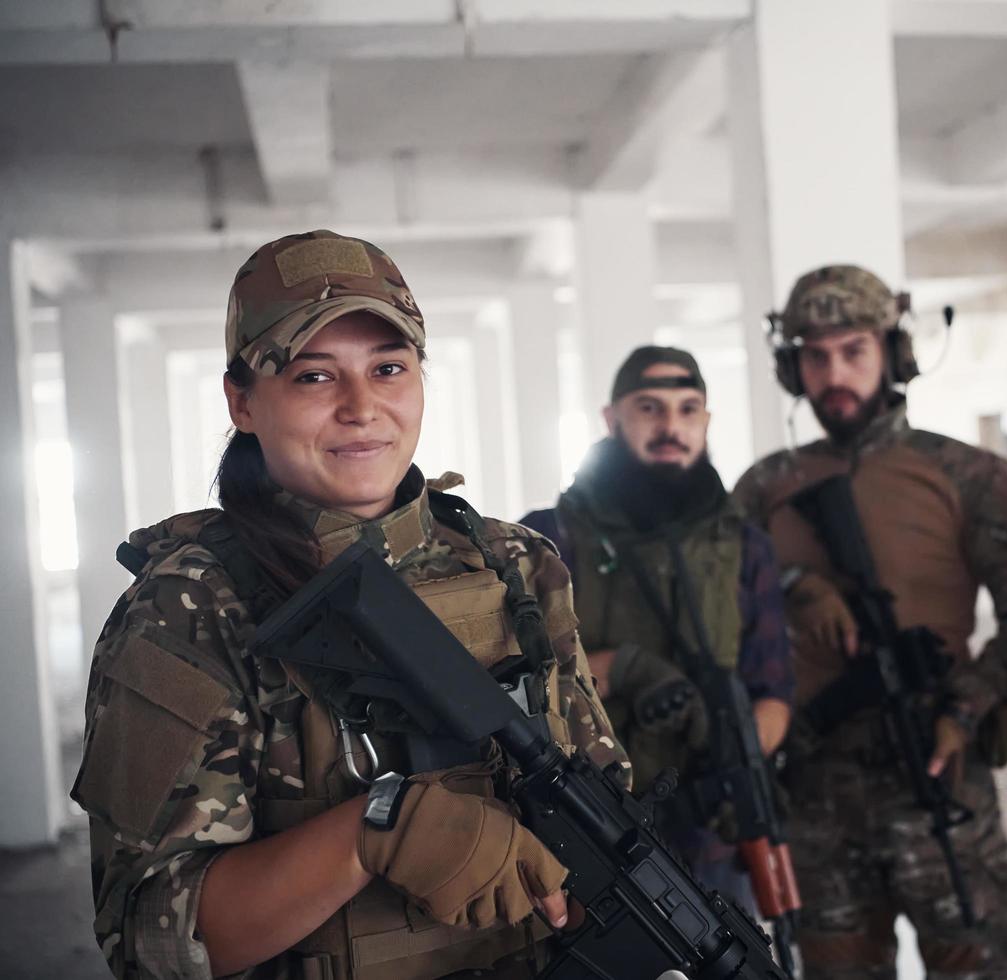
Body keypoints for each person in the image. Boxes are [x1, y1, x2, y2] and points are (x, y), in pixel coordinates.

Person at [70, 229, 628, 980]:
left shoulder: (518, 562)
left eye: (388, 368)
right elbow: (146, 938)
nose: (362, 408)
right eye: (313, 377)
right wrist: (373, 835)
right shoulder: (190, 606)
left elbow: (602, 796)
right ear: (241, 400)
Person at [732, 265, 1007, 979]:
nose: (834, 374)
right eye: (815, 357)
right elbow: (719, 604)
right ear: (793, 368)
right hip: (815, 791)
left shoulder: (969, 475)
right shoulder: (764, 486)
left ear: (893, 353)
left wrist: (968, 708)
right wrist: (796, 586)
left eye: (853, 351)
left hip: (941, 776)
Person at [520, 345, 794, 904]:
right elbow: (521, 694)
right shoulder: (547, 539)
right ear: (611, 418)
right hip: (590, 831)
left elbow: (775, 692)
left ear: (707, 422)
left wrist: (731, 750)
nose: (671, 426)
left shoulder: (742, 543)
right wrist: (624, 670)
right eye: (650, 408)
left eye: (688, 409)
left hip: (712, 838)